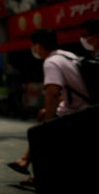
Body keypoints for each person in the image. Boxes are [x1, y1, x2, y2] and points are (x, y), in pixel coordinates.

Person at [7, 28, 92, 185]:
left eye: (33, 45)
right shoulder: (68, 55)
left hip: (75, 112)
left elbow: (52, 92)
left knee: (41, 135)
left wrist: (48, 119)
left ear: (38, 46)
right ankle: (25, 162)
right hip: (84, 106)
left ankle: (36, 172)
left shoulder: (51, 62)